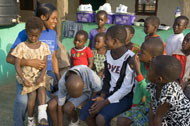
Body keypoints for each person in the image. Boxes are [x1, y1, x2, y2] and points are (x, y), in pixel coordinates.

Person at [6, 2, 60, 126]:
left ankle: (42, 121)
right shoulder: (28, 32)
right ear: (43, 17)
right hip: (26, 74)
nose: (56, 21)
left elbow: (53, 57)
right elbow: (9, 58)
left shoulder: (52, 33)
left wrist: (58, 78)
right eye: (53, 18)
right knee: (22, 101)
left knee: (45, 101)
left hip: (46, 74)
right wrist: (29, 62)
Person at [80, 25, 135, 126]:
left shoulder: (130, 58)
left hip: (124, 97)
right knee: (87, 113)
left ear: (115, 41)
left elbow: (126, 88)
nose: (104, 42)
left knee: (101, 118)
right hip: (108, 93)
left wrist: (105, 102)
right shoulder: (109, 53)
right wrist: (102, 96)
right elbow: (107, 78)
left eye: (107, 40)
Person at [11, 17, 50, 126]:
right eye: (30, 35)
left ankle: (42, 115)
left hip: (39, 76)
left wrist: (41, 76)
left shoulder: (44, 46)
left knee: (42, 88)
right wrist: (23, 78)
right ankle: (30, 119)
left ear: (40, 33)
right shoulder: (21, 47)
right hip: (26, 78)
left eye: (36, 35)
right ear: (26, 32)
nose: (33, 38)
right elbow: (17, 64)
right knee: (31, 94)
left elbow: (45, 64)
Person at [117, 37, 164, 126]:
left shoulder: (159, 73)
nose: (138, 54)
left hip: (155, 110)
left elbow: (149, 93)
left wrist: (138, 73)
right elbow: (139, 86)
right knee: (121, 120)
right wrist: (135, 105)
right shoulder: (142, 65)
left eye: (142, 52)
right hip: (144, 105)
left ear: (152, 58)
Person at [147, 55, 190, 125]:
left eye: (150, 69)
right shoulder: (154, 83)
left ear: (159, 79)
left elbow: (158, 118)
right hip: (165, 117)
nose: (147, 70)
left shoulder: (170, 93)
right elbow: (151, 109)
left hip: (180, 123)